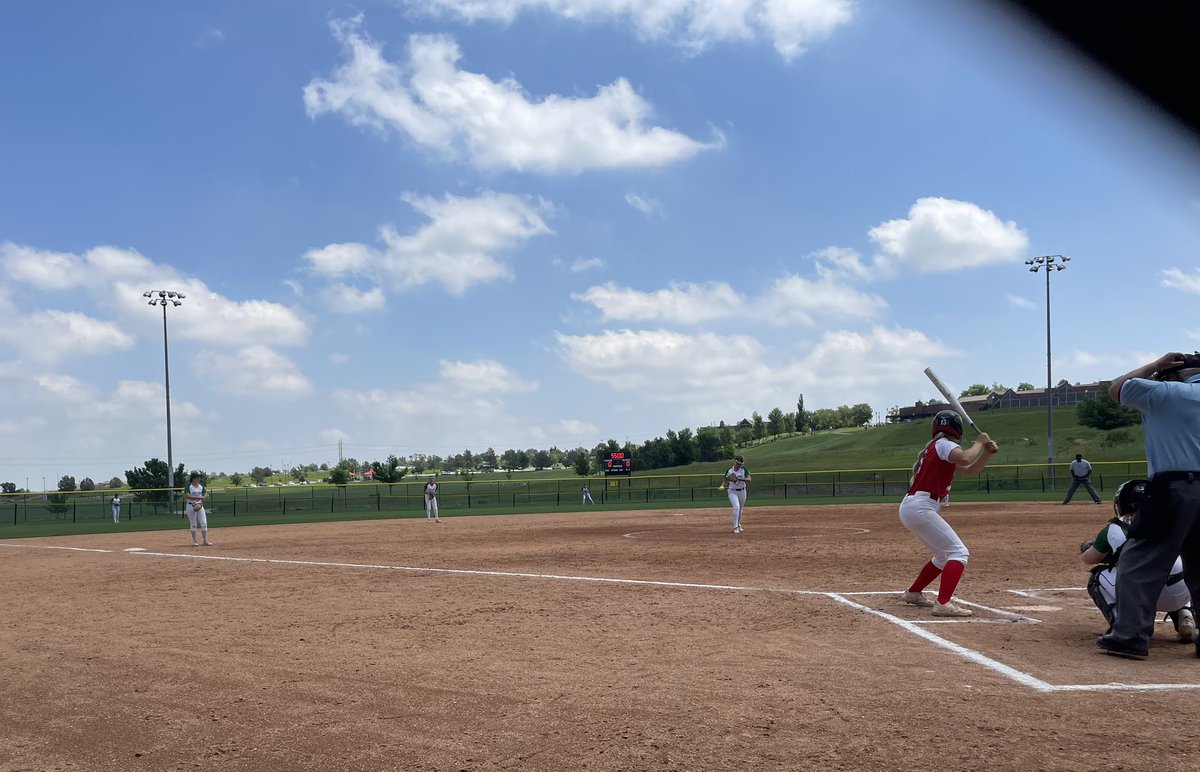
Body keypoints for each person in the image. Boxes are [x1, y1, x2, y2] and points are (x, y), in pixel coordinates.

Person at [1097, 351, 1200, 659]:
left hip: (1174, 486)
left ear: (1176, 373)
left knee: (1139, 558)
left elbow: (1116, 388)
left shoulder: (1168, 392)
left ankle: (1130, 636)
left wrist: (1156, 365)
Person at [898, 410, 999, 617]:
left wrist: (987, 453)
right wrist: (980, 442)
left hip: (914, 506)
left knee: (943, 556)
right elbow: (966, 458)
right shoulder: (945, 445)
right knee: (958, 553)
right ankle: (943, 603)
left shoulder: (937, 448)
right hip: (921, 506)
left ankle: (913, 593)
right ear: (958, 430)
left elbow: (970, 469)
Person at [1081, 479, 1195, 641]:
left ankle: (1121, 624)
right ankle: (1186, 612)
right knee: (1184, 566)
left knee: (1096, 577)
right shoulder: (1177, 521)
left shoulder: (1114, 528)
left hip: (1142, 595)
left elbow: (1089, 559)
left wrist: (1094, 549)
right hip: (1182, 592)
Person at [723, 455, 751, 534]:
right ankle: (735, 527)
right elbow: (726, 480)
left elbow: (749, 479)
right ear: (734, 462)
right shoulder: (729, 471)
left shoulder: (744, 470)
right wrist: (722, 486)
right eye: (738, 463)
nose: (739, 465)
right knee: (736, 507)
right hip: (732, 491)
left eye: (741, 464)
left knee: (741, 509)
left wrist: (740, 479)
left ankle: (738, 524)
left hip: (742, 491)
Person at [184, 472, 213, 546]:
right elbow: (187, 496)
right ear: (193, 479)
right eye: (197, 478)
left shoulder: (201, 486)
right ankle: (195, 541)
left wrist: (204, 497)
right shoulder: (189, 486)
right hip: (191, 506)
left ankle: (205, 540)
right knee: (193, 524)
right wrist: (198, 497)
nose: (199, 479)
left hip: (199, 505)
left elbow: (205, 493)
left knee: (204, 523)